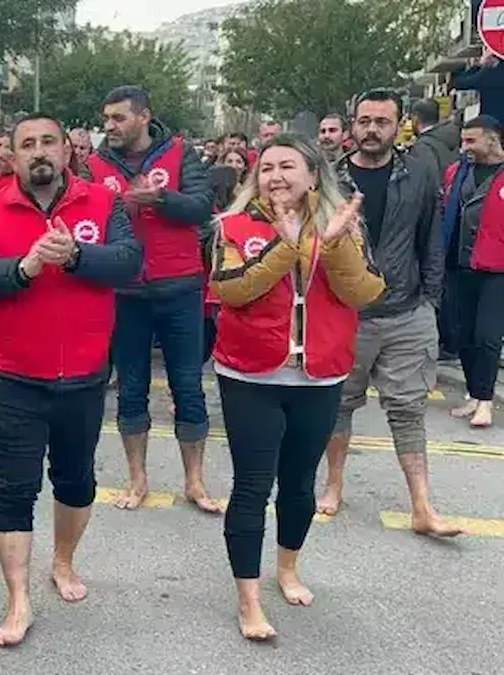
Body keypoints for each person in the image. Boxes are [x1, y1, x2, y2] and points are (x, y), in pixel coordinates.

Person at [0, 113, 143, 647]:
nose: (39, 151)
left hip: (83, 375)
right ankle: (18, 599)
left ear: (66, 150)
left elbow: (130, 262)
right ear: (11, 156)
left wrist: (77, 255)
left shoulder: (103, 203)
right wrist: (24, 269)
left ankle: (63, 561)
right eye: (27, 144)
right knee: (13, 490)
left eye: (48, 142)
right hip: (12, 376)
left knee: (76, 481)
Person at [210, 133, 384, 640]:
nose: (276, 176)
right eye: (266, 168)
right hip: (249, 375)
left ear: (313, 175)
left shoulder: (344, 226)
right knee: (251, 486)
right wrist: (288, 247)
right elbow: (231, 290)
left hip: (320, 375)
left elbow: (364, 292)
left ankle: (287, 567)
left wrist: (334, 246)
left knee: (300, 484)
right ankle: (248, 597)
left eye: (287, 166)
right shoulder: (232, 226)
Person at [318, 90, 463, 537]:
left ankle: (422, 506)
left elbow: (432, 239)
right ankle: (334, 486)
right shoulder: (331, 177)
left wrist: (430, 303)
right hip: (347, 312)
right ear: (352, 125)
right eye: (364, 121)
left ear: (399, 126)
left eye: (382, 122)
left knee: (408, 408)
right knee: (339, 405)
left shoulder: (419, 172)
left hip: (407, 309)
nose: (372, 130)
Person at [88, 85, 218, 512]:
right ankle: (137, 479)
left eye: (118, 118)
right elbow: (86, 218)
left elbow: (202, 206)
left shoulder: (180, 152)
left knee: (188, 387)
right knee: (130, 388)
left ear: (143, 117)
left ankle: (194, 481)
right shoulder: (94, 164)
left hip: (180, 287)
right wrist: (115, 211)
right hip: (125, 292)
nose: (110, 126)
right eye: (107, 119)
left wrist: (160, 199)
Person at [443, 115, 504, 429]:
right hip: (459, 263)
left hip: (497, 267)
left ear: (492, 140)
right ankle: (474, 393)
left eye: (471, 141)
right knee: (462, 334)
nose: (464, 147)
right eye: (463, 140)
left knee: (487, 336)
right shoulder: (456, 172)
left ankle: (485, 401)